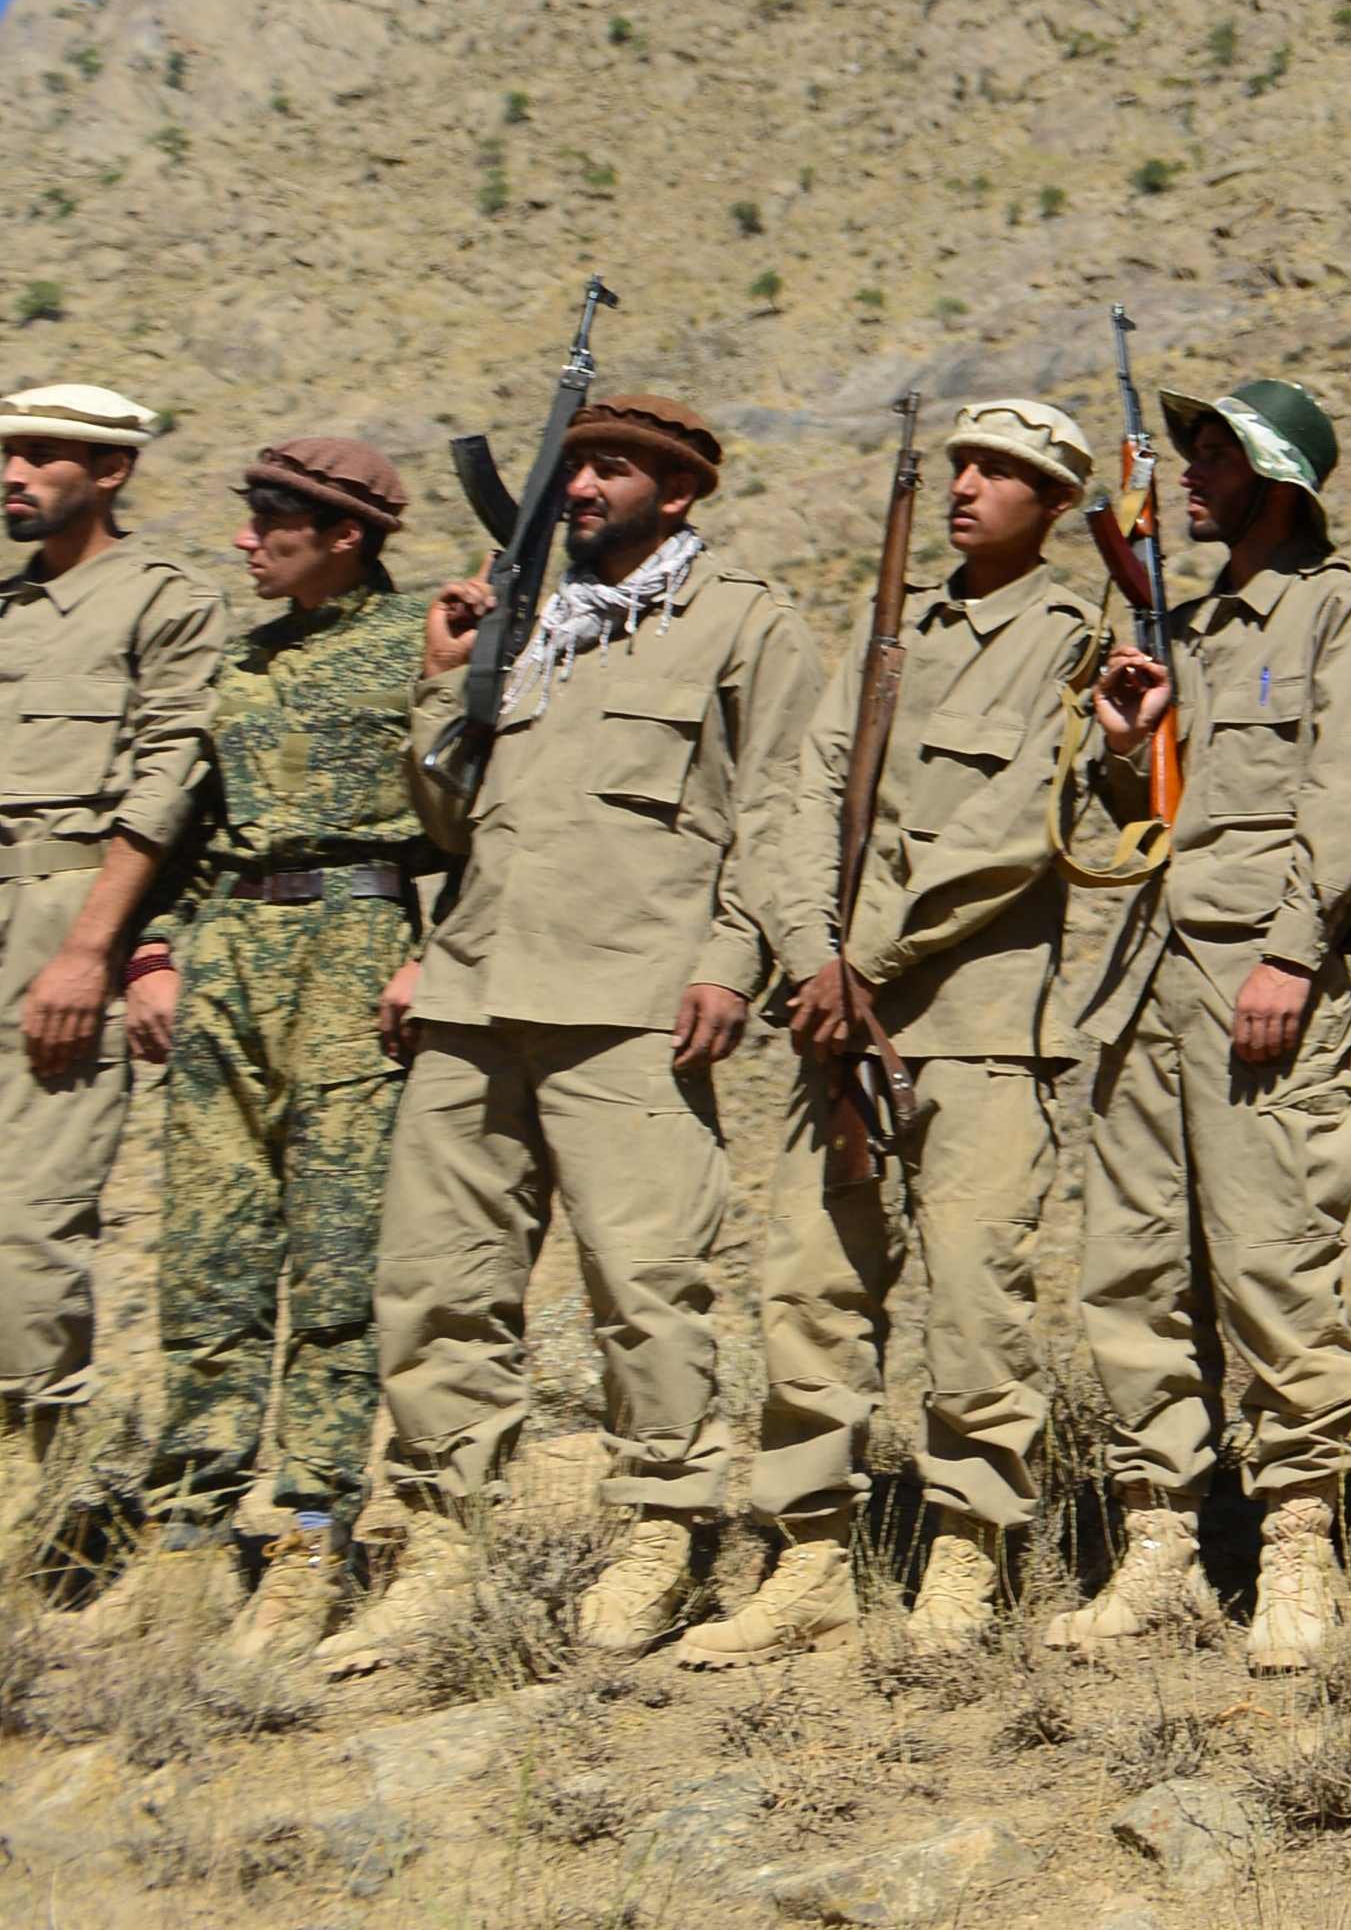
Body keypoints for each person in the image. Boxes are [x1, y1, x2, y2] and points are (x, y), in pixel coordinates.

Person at [331, 393, 814, 1669]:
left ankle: (660, 1531)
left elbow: (779, 808)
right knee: (438, 1283)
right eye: (577, 464)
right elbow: (452, 821)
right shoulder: (532, 622)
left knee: (645, 1286)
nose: (585, 484)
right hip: (476, 990)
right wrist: (448, 683)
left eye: (612, 465)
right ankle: (442, 1545)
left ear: (683, 490)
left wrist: (734, 956)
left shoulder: (741, 618)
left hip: (630, 996)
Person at [705, 396, 1109, 1663]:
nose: (971, 485)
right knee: (811, 1291)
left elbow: (1008, 847)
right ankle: (813, 1552)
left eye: (1005, 472)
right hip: (839, 1017)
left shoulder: (1071, 641)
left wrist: (859, 956)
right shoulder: (889, 636)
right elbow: (796, 798)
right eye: (964, 464)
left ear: (1055, 506)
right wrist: (811, 952)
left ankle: (968, 1551)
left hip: (981, 1027)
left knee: (976, 1301)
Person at [1046, 375, 1351, 1669]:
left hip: (1258, 979)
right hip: (1146, 975)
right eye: (1186, 454)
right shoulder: (1182, 624)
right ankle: (1160, 1547)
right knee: (1134, 1268)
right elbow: (1155, 810)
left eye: (1214, 455)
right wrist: (1127, 739)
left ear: (1279, 478)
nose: (1190, 478)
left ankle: (1301, 1546)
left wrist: (1296, 956)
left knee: (1274, 1260)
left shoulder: (1340, 609)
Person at [79, 438, 411, 1656]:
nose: (243, 539)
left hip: (358, 942)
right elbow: (190, 826)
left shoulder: (430, 640)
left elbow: (477, 809)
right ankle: (185, 1535)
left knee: (335, 1256)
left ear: (343, 533)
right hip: (228, 951)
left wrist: (436, 944)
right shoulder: (245, 660)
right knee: (206, 1253)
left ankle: (312, 1531)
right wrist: (157, 950)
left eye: (268, 518)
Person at [0, 382, 217, 1581]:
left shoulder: (161, 601)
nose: (14, 473)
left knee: (30, 1222)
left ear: (112, 470)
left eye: (40, 455)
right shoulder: (9, 608)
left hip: (61, 917)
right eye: (10, 454)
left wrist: (94, 947)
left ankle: (28, 1500)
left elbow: (166, 783)